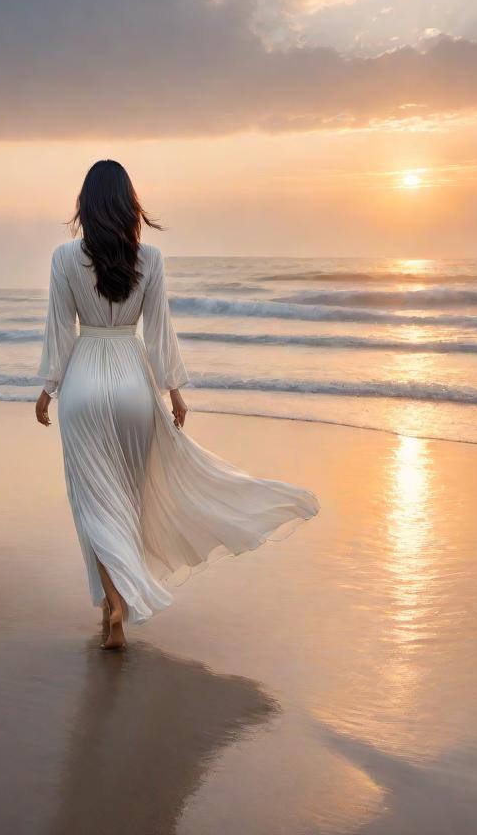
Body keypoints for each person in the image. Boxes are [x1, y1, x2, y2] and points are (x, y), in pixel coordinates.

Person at [36, 160, 319, 649]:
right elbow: (160, 333)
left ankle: (115, 603)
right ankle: (116, 602)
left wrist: (48, 387)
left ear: (86, 203)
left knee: (93, 503)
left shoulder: (64, 258)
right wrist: (174, 391)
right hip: (132, 382)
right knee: (128, 496)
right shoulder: (151, 260)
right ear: (130, 204)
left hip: (83, 381)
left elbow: (60, 331)